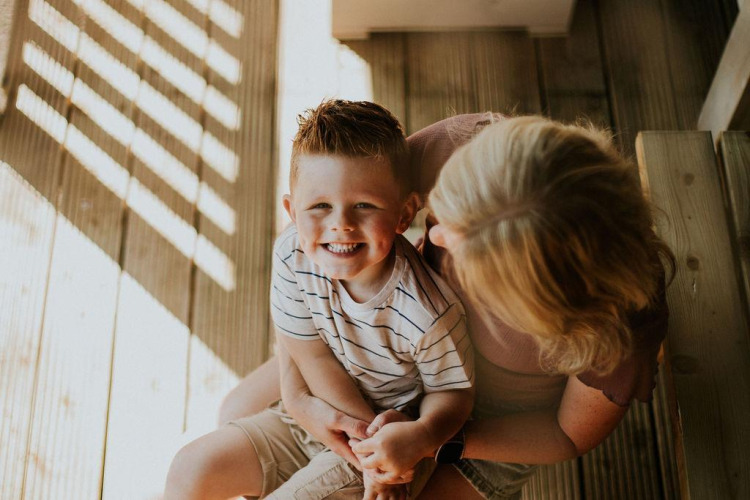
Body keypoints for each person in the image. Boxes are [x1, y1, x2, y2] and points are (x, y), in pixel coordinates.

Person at [216, 112, 675, 499]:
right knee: (232, 413)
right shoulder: (474, 148)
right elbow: (313, 238)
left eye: (469, 255)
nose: (433, 239)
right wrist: (298, 395)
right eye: (447, 215)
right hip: (384, 345)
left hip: (491, 428)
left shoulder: (618, 331)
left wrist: (431, 439)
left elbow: (566, 434)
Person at [164, 100, 475, 500]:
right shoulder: (293, 254)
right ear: (293, 211)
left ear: (404, 213)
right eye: (320, 206)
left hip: (387, 441)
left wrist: (408, 441)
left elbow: (454, 393)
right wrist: (311, 409)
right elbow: (309, 353)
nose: (341, 224)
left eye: (364, 205)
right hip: (320, 408)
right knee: (190, 469)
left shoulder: (426, 313)